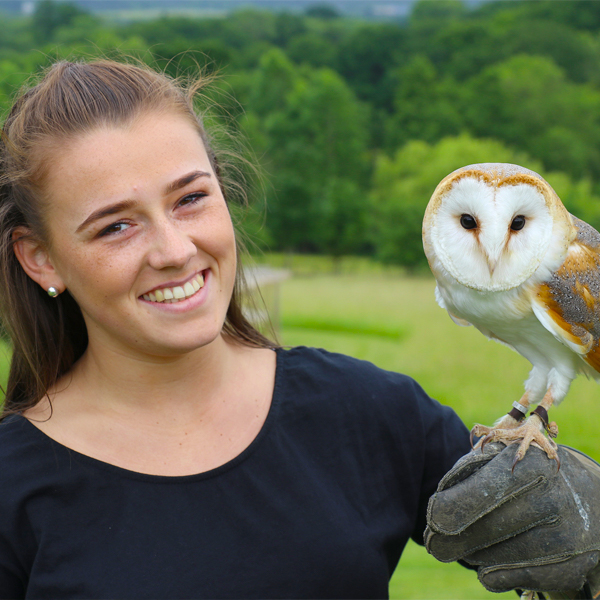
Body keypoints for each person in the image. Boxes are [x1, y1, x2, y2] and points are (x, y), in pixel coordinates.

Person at [0, 58, 597, 600]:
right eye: (115, 228)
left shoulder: (367, 412)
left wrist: (585, 559)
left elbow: (545, 550)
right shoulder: (12, 486)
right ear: (41, 259)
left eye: (190, 199)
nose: (175, 250)